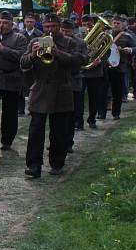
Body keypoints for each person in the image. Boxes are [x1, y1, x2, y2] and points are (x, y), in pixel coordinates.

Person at [21, 15, 88, 178]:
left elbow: (79, 61)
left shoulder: (70, 42)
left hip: (62, 89)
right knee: (36, 129)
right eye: (47, 27)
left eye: (53, 26)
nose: (50, 30)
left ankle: (57, 163)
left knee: (59, 131)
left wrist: (58, 53)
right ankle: (34, 165)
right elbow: (23, 62)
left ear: (59, 26)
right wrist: (32, 55)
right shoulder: (34, 41)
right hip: (40, 89)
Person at [0, 10, 28, 151]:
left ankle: (7, 141)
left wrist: (2, 49)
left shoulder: (20, 38)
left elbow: (22, 56)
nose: (2, 25)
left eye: (6, 23)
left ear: (12, 24)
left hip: (11, 78)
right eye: (0, 22)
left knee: (10, 112)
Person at [59, 19, 87, 152]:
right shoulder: (54, 41)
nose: (65, 33)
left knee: (71, 114)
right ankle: (57, 141)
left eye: (67, 31)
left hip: (74, 80)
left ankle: (68, 142)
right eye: (62, 31)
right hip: (58, 81)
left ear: (72, 31)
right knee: (58, 115)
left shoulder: (80, 43)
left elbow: (83, 59)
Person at [81, 13, 109, 129]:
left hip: (95, 71)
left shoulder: (102, 36)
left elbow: (107, 51)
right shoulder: (78, 35)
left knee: (94, 97)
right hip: (81, 71)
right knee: (78, 98)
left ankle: (92, 119)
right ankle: (78, 121)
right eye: (84, 23)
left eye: (89, 23)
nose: (87, 25)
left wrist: (99, 61)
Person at [108, 16, 136, 120]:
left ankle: (116, 113)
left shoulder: (127, 36)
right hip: (106, 66)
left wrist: (129, 50)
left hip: (120, 66)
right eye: (114, 23)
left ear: (122, 24)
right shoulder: (107, 35)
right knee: (103, 90)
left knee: (117, 91)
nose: (115, 25)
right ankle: (101, 112)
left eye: (118, 23)